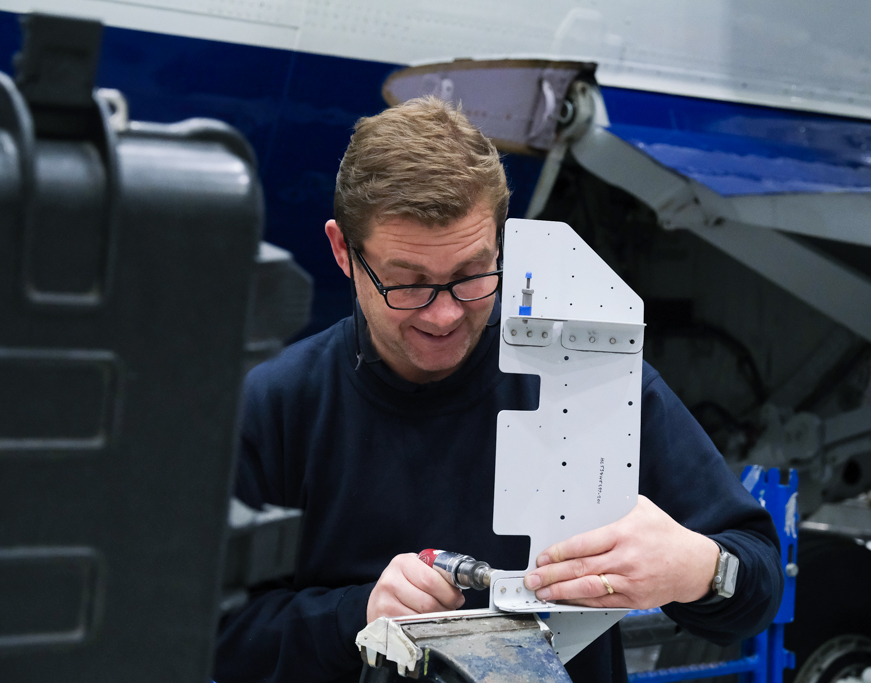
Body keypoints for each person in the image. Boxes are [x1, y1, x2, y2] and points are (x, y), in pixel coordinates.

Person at [214, 97, 784, 683]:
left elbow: (758, 580)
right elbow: (217, 635)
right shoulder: (276, 407)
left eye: (471, 276)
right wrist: (356, 616)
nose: (442, 315)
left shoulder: (591, 381)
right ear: (343, 253)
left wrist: (700, 569)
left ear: (502, 244)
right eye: (408, 284)